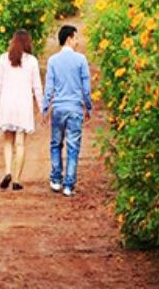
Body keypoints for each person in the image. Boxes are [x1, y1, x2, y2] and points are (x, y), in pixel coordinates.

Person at [0, 29, 44, 191]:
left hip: (7, 103)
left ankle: (7, 171)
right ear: (28, 43)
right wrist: (42, 108)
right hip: (23, 105)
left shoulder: (3, 59)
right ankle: (17, 179)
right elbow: (37, 87)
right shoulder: (32, 61)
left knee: (8, 142)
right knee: (20, 143)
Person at [43, 25, 93, 197]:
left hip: (58, 108)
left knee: (56, 144)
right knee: (73, 146)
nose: (78, 42)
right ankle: (68, 185)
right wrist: (88, 107)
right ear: (69, 38)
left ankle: (56, 179)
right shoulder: (81, 60)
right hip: (74, 109)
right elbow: (86, 89)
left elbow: (49, 88)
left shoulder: (53, 61)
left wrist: (44, 109)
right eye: (76, 38)